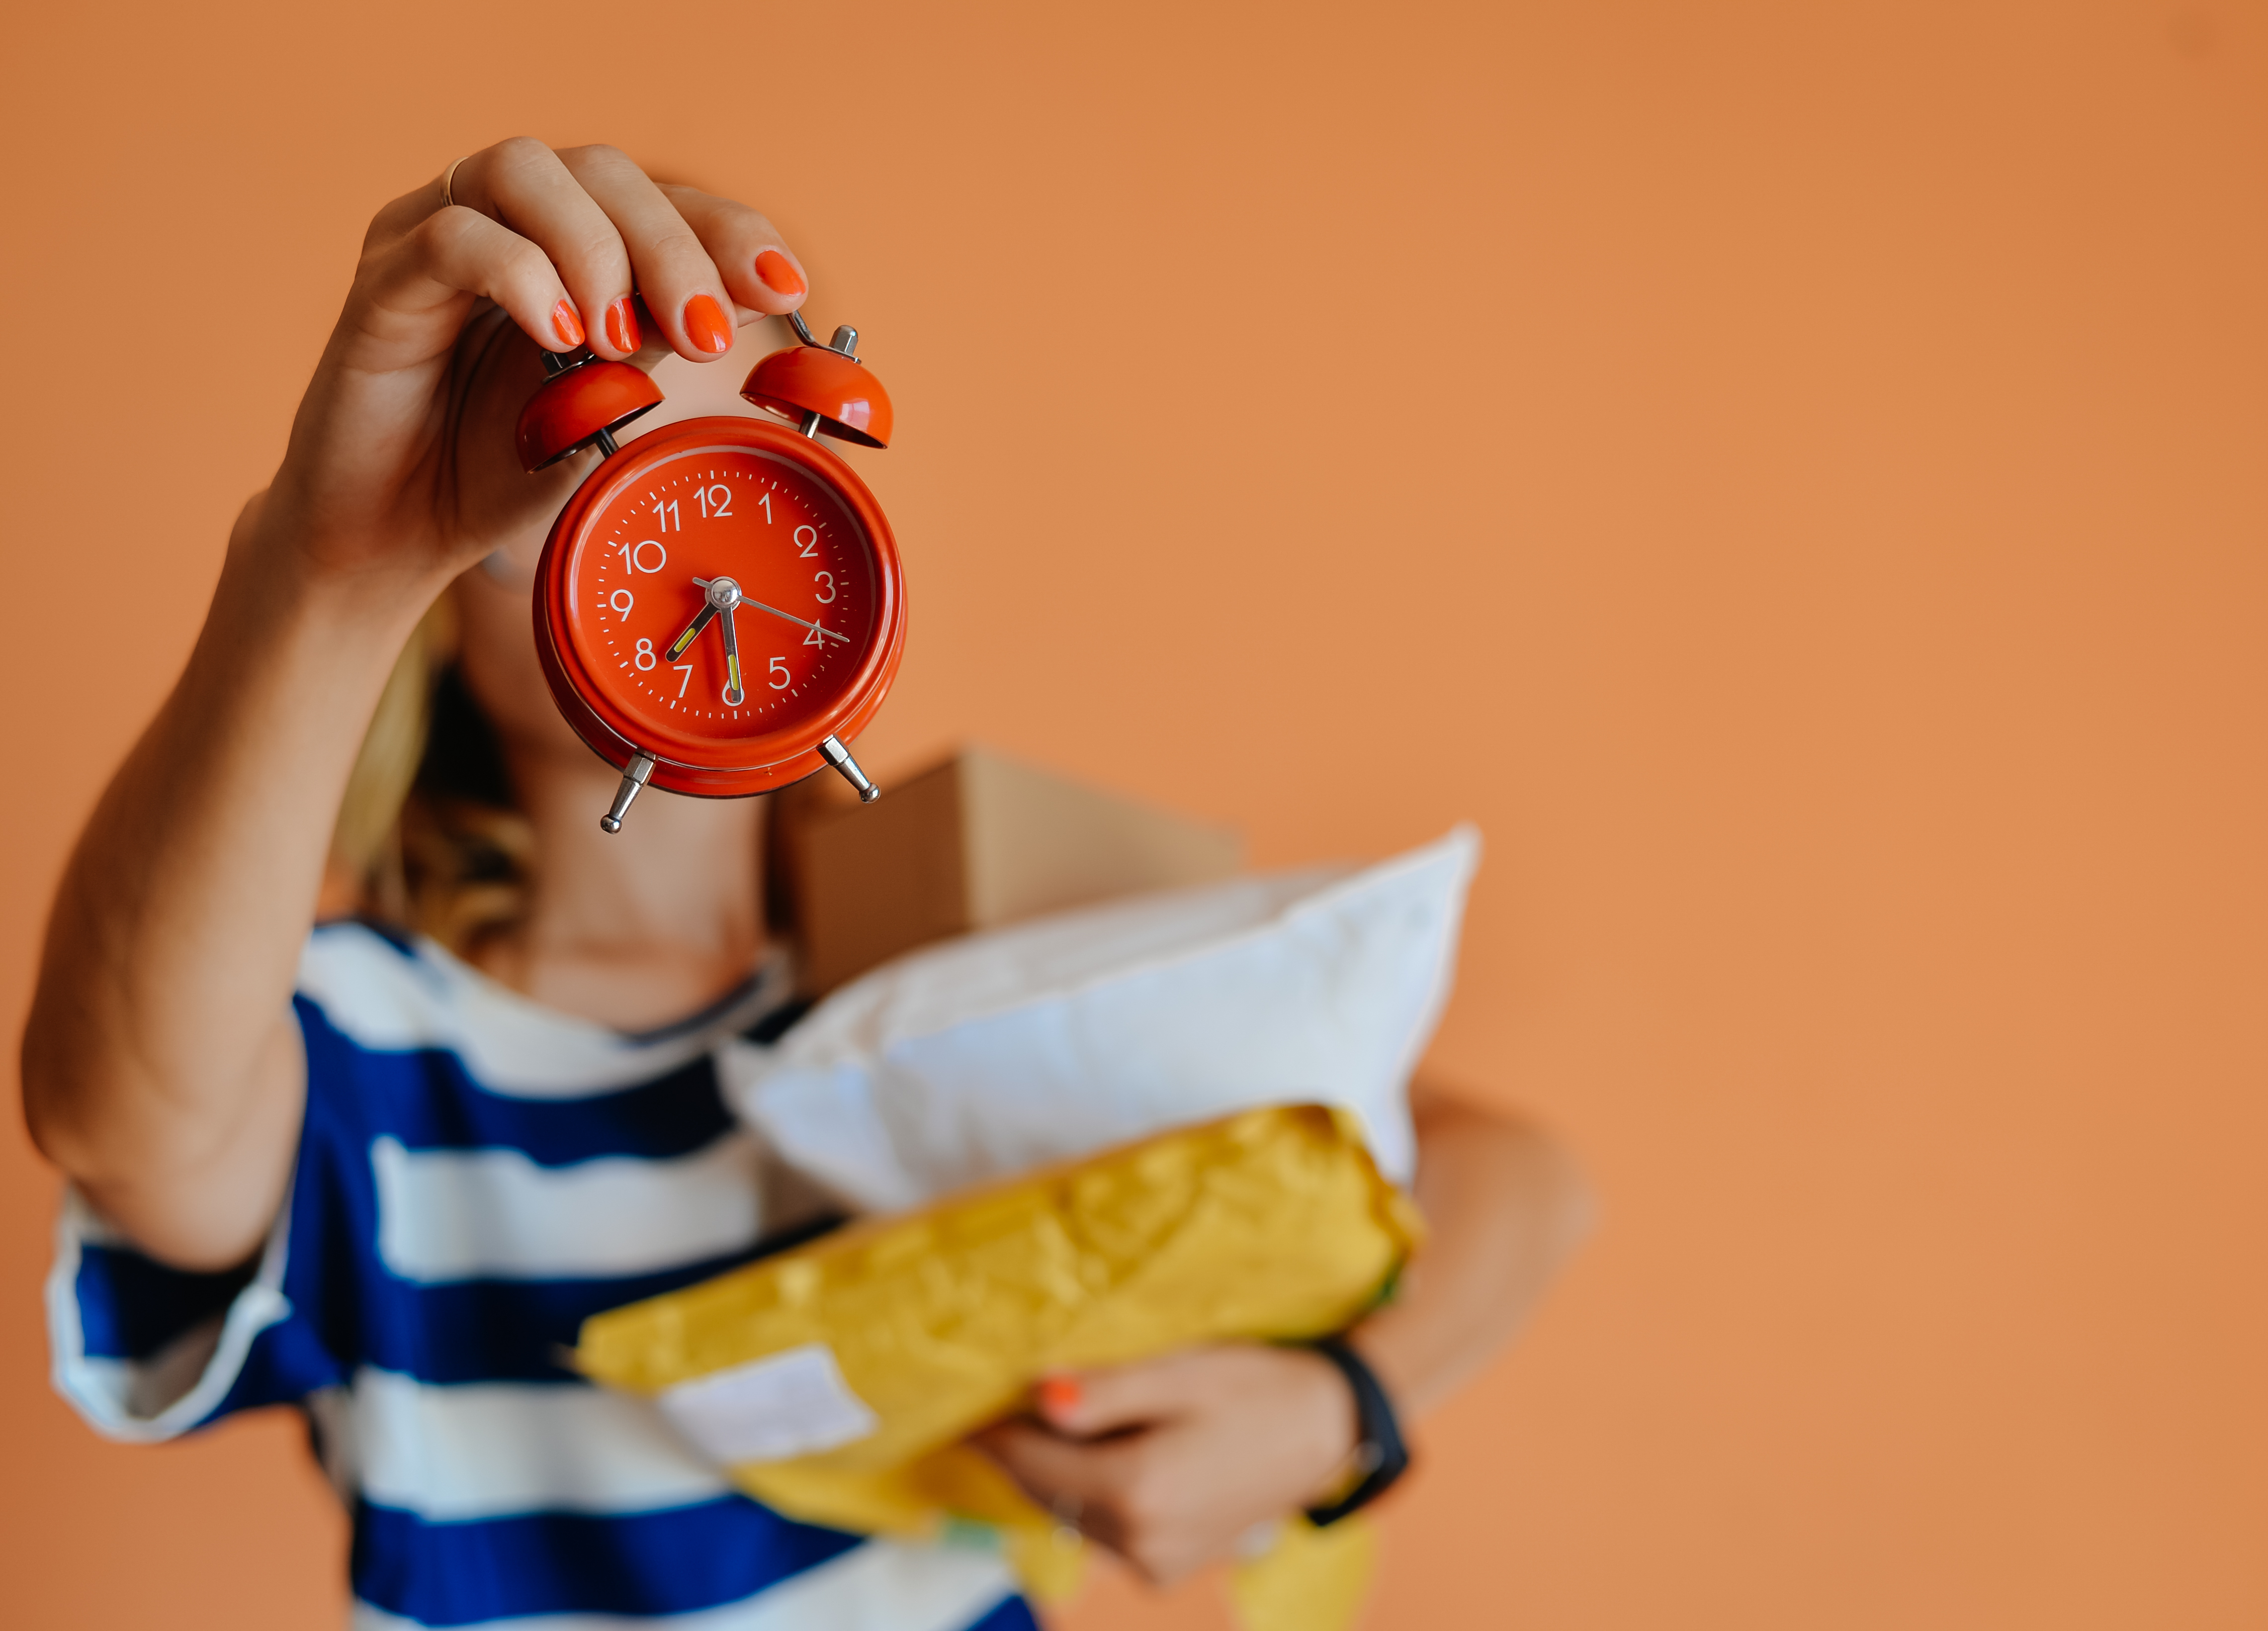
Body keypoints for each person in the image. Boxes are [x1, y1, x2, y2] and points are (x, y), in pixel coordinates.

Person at [21, 139, 1595, 1630]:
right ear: (451, 572)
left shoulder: (973, 936)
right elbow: (117, 1118)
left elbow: (1508, 1173)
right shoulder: (366, 1046)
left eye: (745, 454)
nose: (682, 527)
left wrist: (1347, 1407)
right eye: (585, 453)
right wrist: (324, 566)